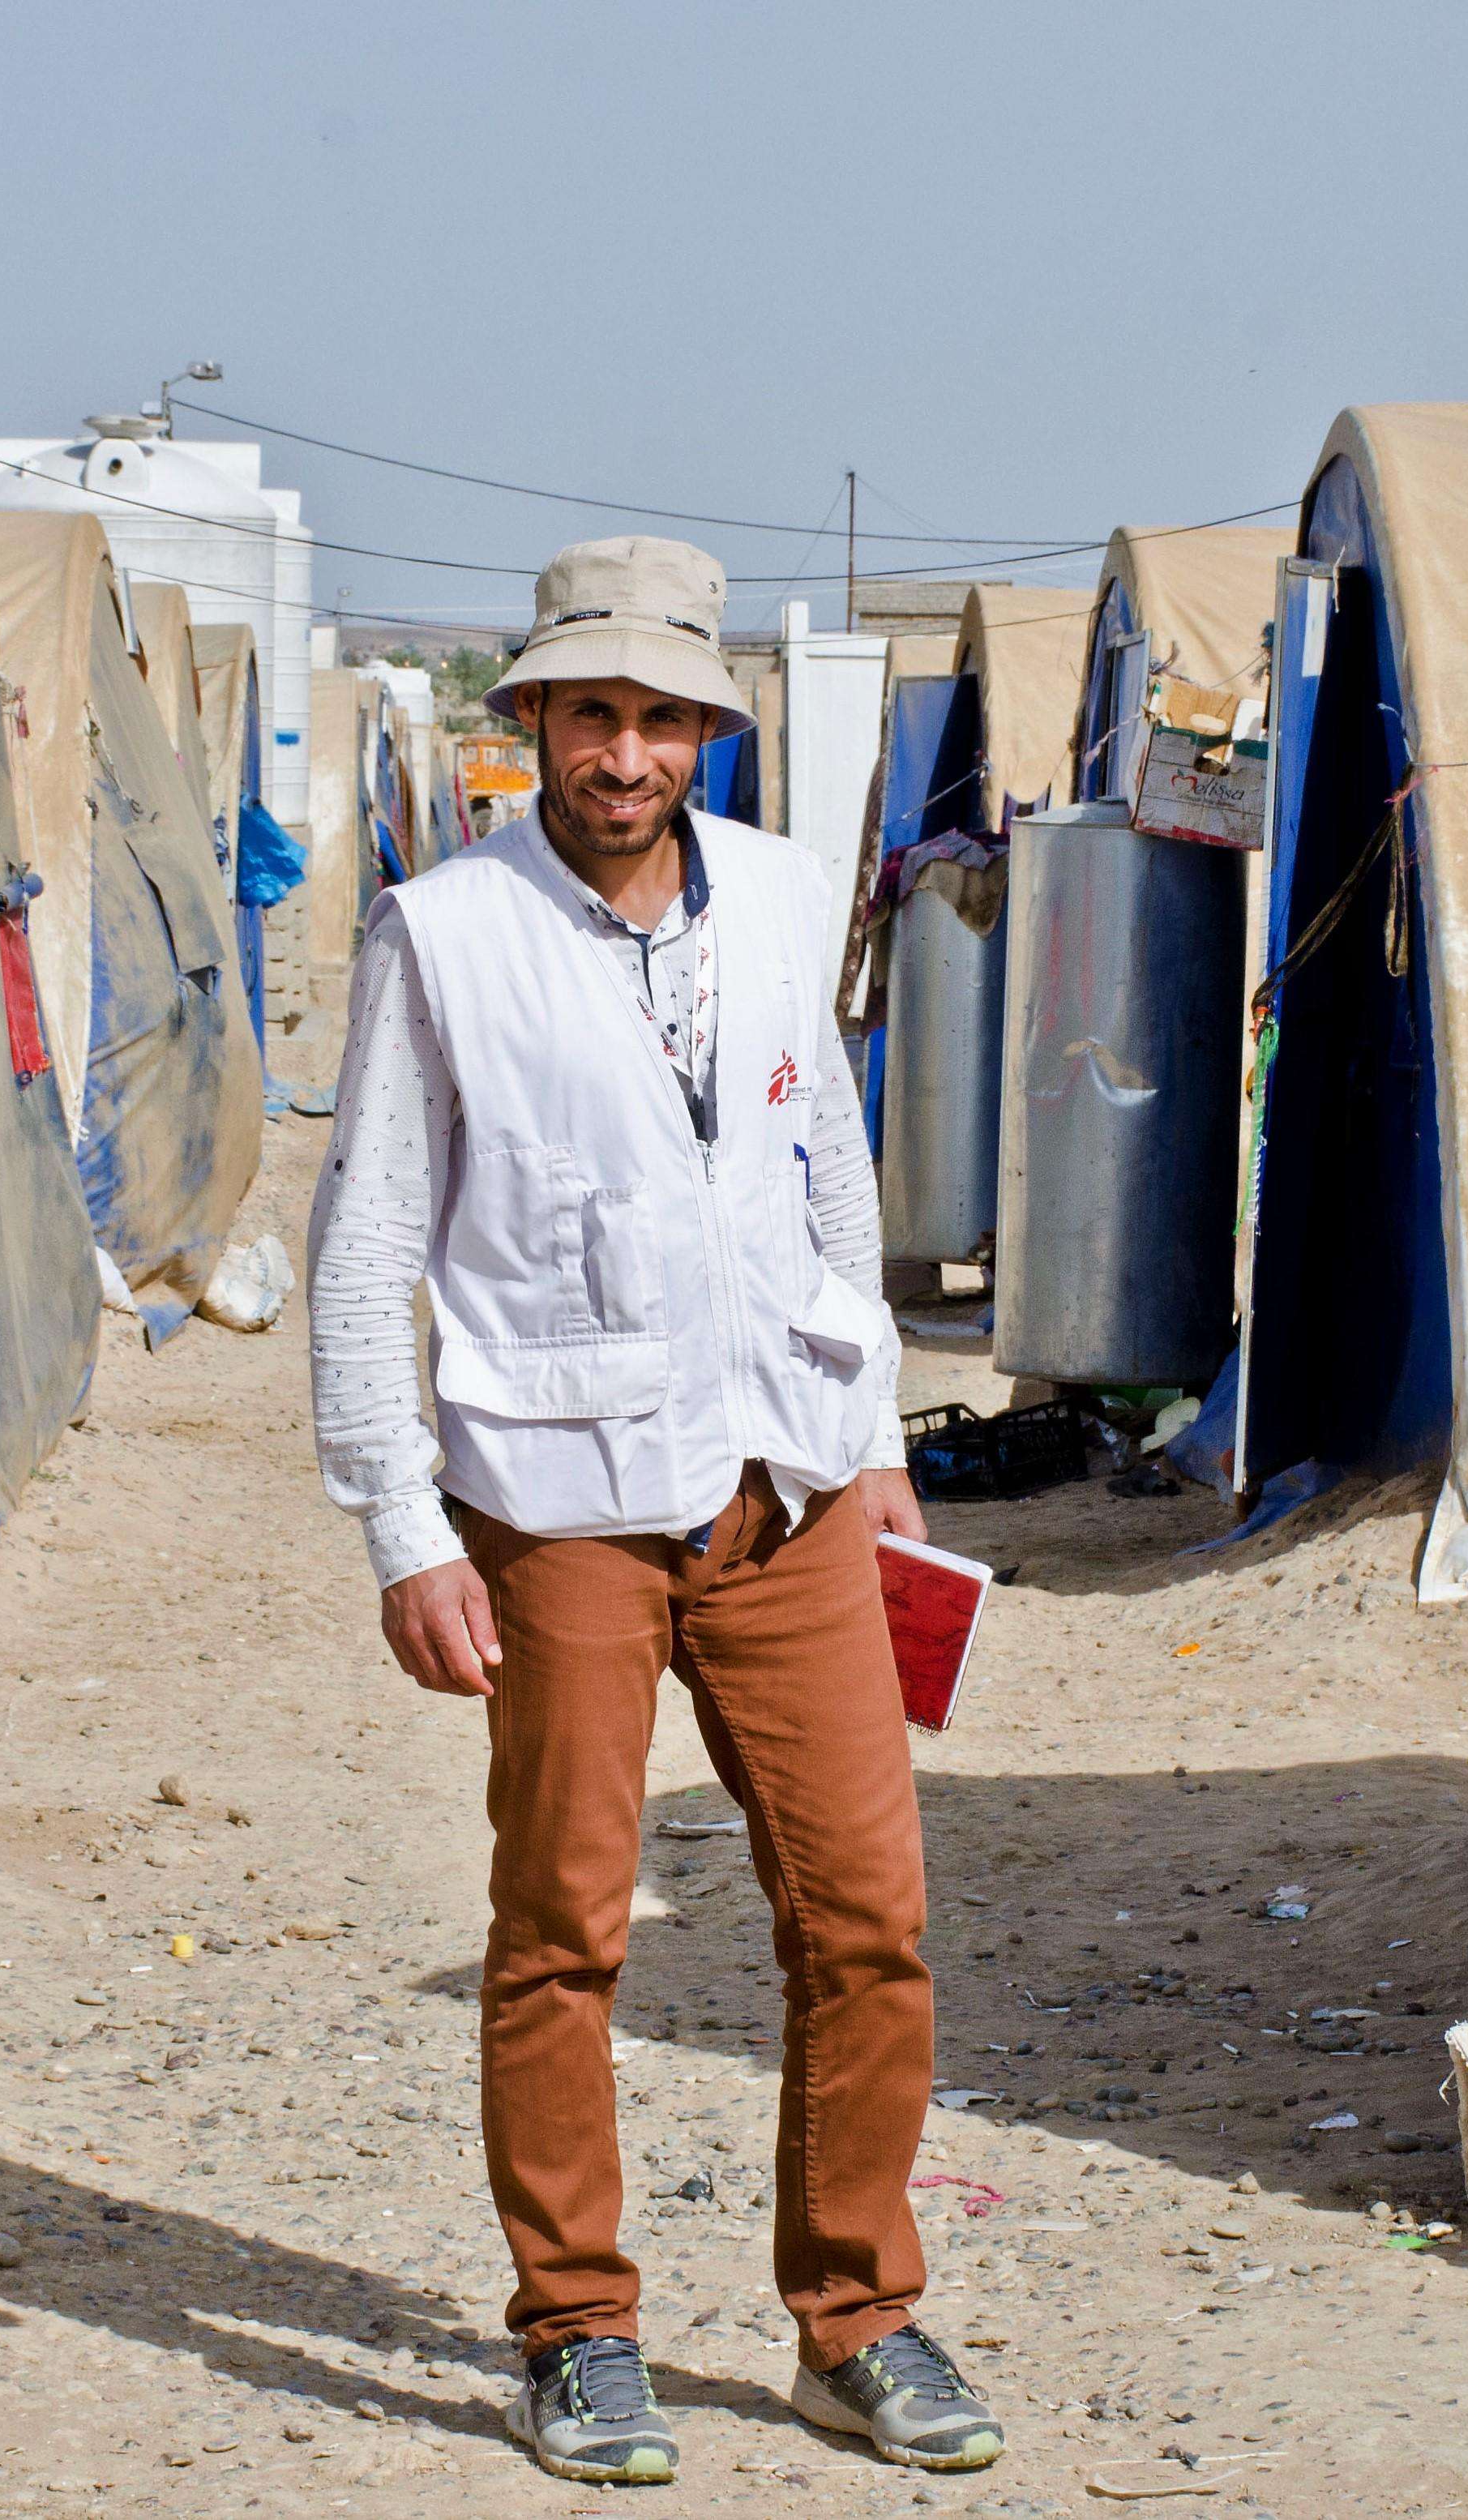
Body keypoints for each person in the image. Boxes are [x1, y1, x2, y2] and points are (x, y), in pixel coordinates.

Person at [306, 537, 1002, 2486]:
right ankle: (580, 2325)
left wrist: (870, 1431)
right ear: (530, 725)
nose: (627, 751)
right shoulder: (444, 934)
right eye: (590, 712)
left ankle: (853, 2316)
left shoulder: (777, 901)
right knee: (563, 1926)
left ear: (707, 728)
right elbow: (366, 1249)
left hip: (780, 1485)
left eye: (661, 715)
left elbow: (824, 1172)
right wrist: (402, 1527)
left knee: (867, 1913)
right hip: (559, 1497)